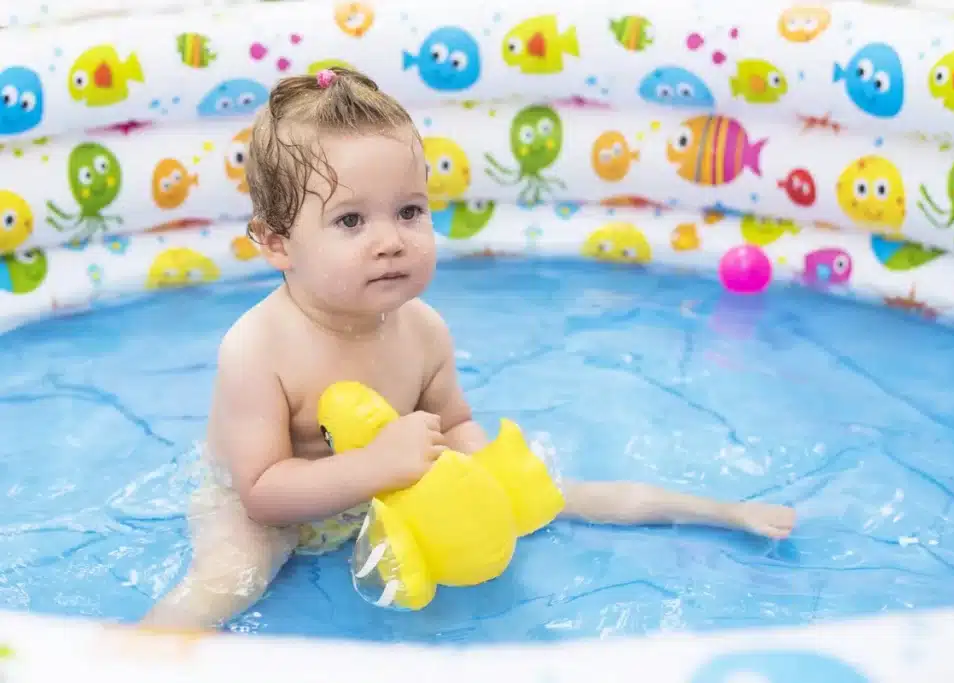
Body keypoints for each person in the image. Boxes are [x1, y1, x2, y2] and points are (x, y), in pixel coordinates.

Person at [140, 67, 796, 629]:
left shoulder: (422, 328)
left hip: (388, 481)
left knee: (548, 493)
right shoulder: (258, 347)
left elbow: (452, 423)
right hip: (270, 508)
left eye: (409, 211)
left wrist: (485, 473)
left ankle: (715, 511)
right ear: (276, 241)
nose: (391, 239)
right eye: (350, 220)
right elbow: (260, 488)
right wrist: (375, 468)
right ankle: (128, 655)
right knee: (231, 576)